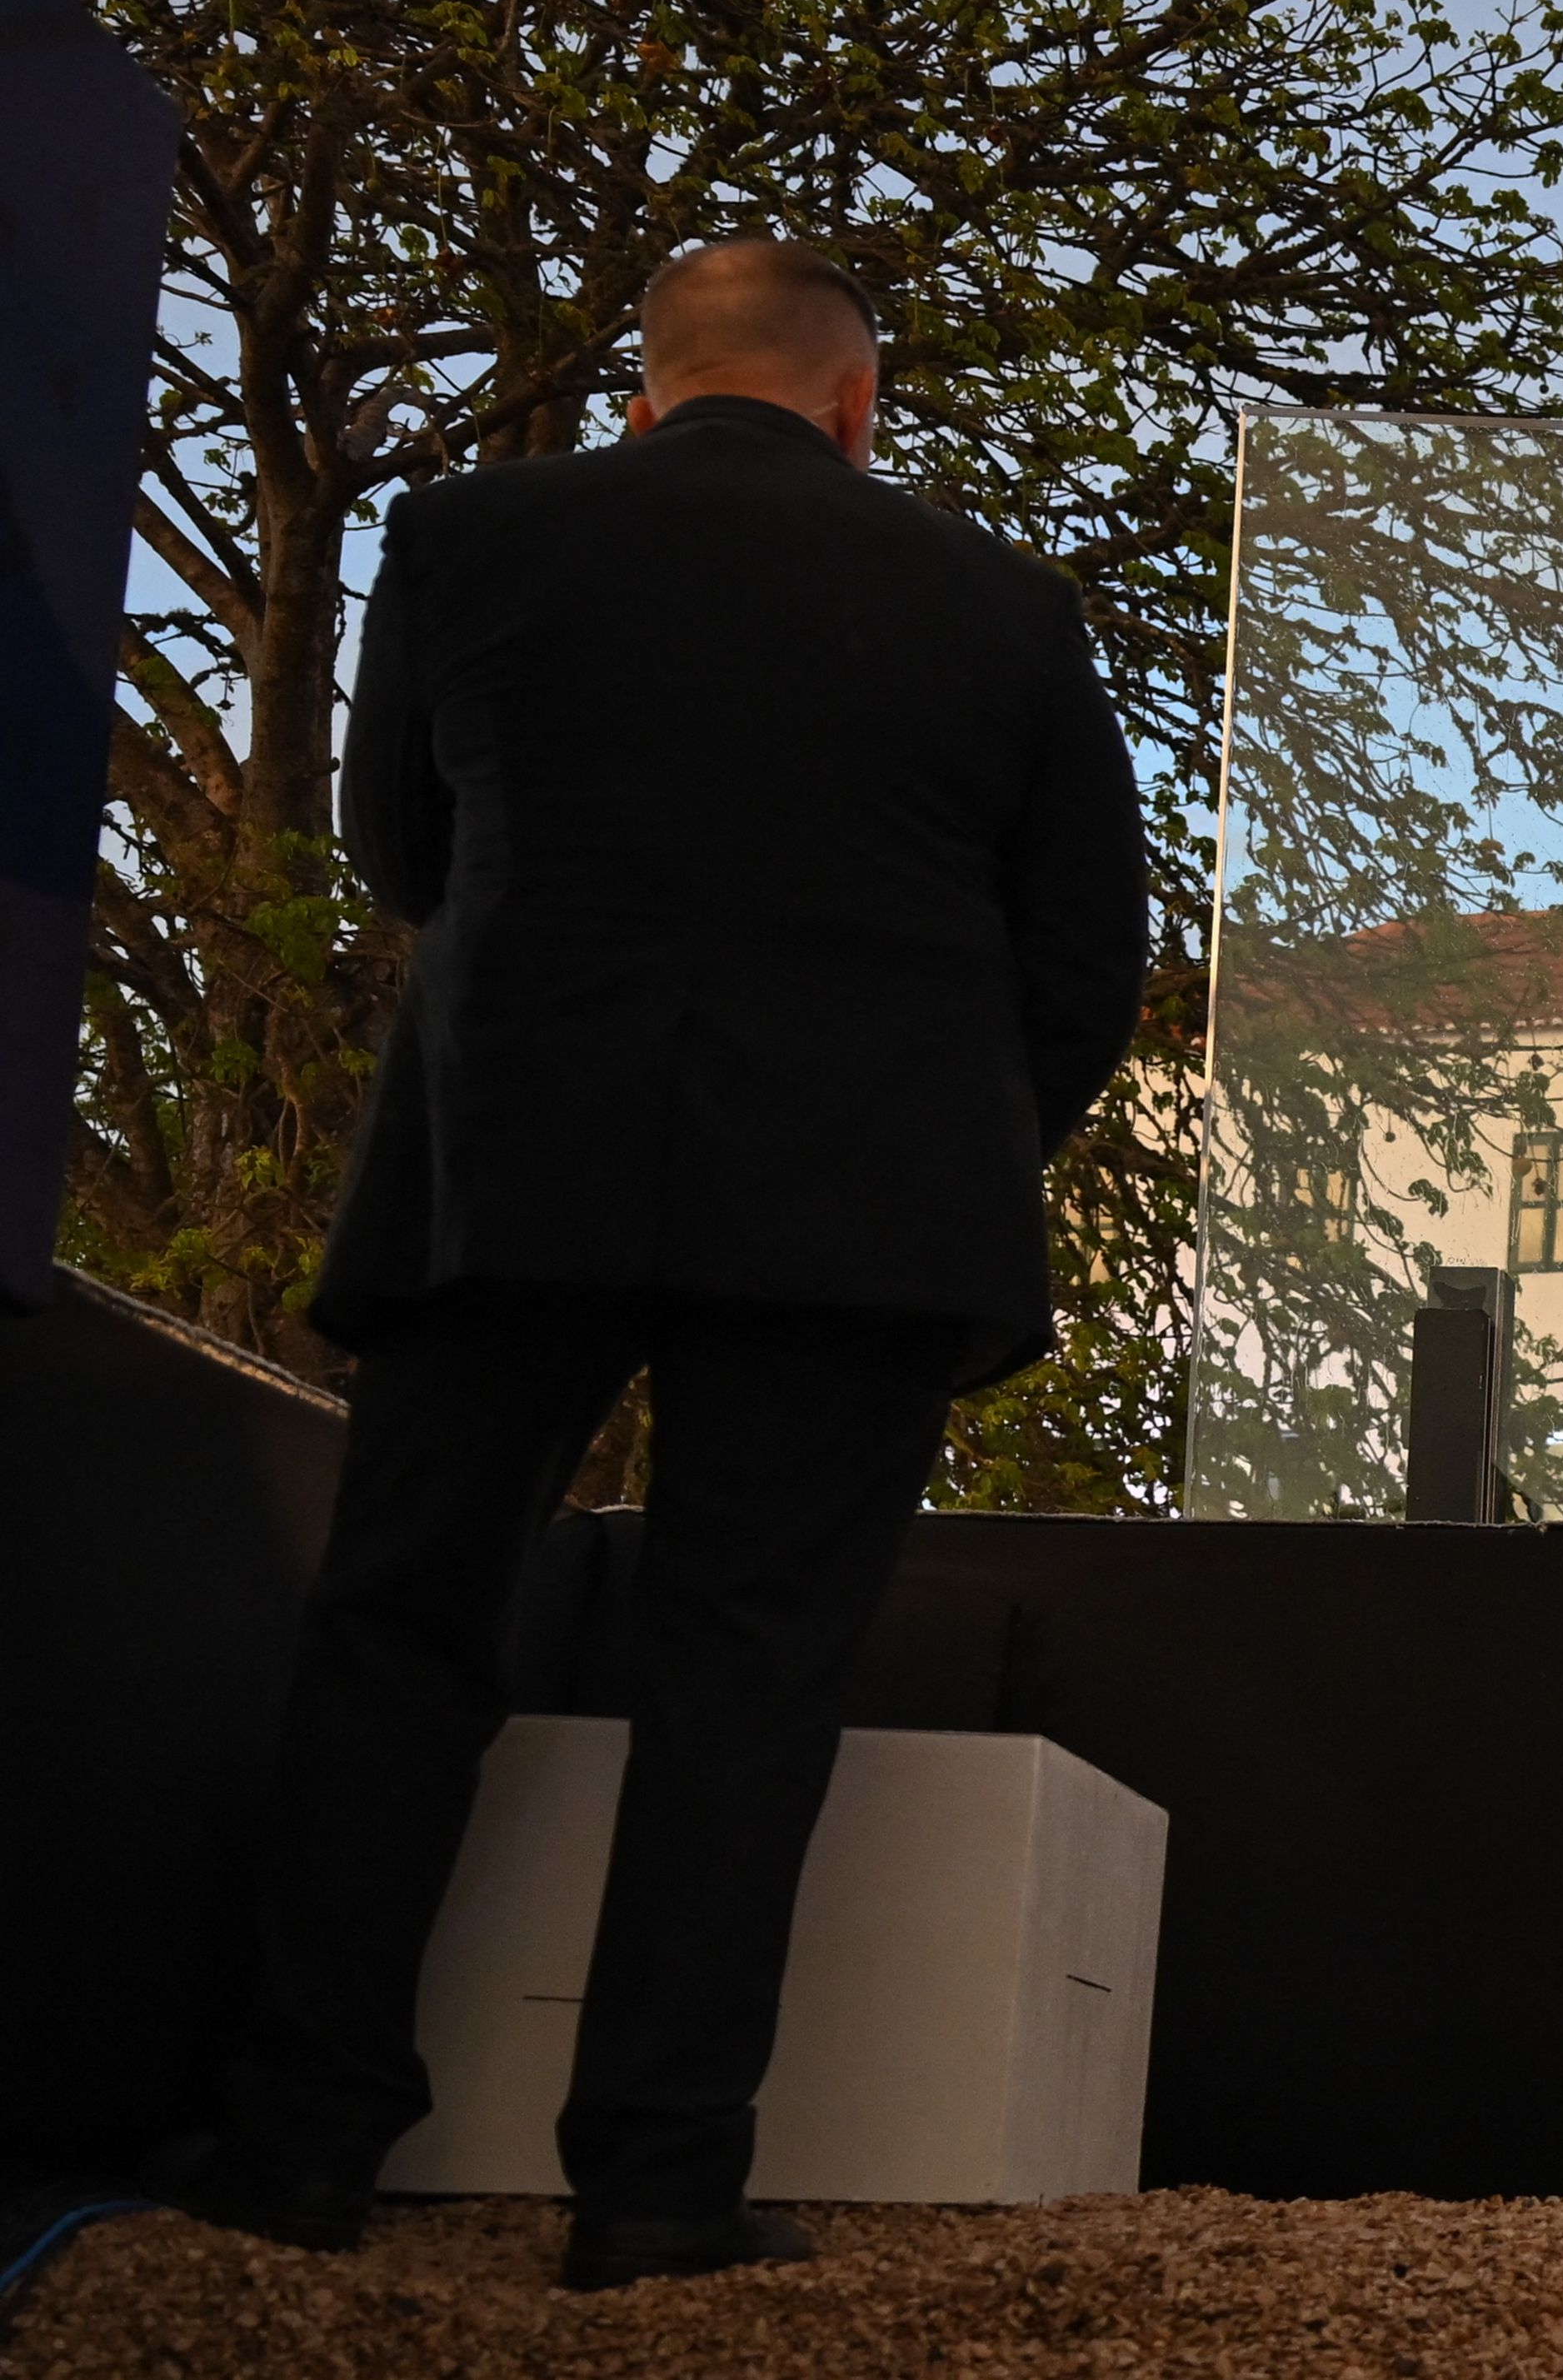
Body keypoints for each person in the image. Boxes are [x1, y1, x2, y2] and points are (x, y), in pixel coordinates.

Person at [155, 239, 1148, 2290]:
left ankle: (300, 2144)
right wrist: (933, 1141)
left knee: (403, 1626)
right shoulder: (1007, 612)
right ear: (860, 405)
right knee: (748, 1676)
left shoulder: (464, 539)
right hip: (856, 1213)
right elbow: (1082, 966)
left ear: (646, 389)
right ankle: (660, 2186)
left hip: (514, 1167)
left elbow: (407, 852)